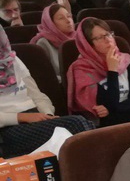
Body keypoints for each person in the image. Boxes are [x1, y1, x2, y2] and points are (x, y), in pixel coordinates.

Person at [0, 26, 93, 157]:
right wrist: (22, 117)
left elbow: (37, 95)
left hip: (35, 117)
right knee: (76, 124)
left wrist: (47, 115)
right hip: (8, 128)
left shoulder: (11, 59)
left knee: (85, 124)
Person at [67, 18, 130, 126]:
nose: (108, 40)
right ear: (88, 44)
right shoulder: (83, 70)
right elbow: (107, 105)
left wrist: (112, 109)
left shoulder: (124, 61)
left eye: (108, 34)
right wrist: (112, 71)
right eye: (100, 37)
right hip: (106, 126)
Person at [30, 4, 75, 81]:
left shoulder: (78, 37)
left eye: (69, 16)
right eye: (61, 18)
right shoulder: (43, 43)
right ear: (50, 23)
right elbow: (45, 75)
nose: (68, 21)